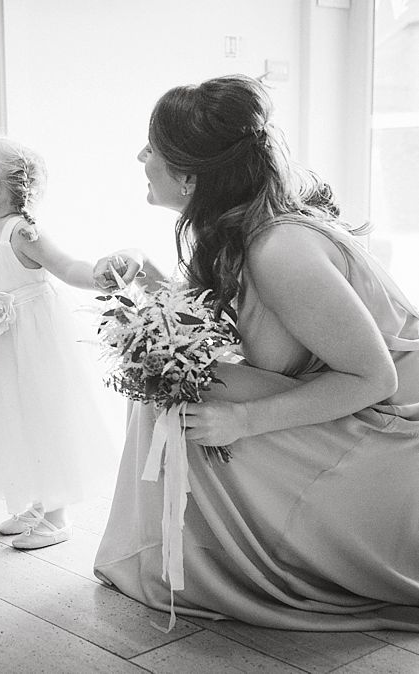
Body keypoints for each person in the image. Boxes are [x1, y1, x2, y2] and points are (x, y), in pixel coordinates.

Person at [92, 74, 419, 630]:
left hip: (397, 441)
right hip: (369, 422)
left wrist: (243, 419)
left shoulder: (280, 250)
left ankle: (212, 565)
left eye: (154, 147)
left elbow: (374, 379)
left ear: (190, 176)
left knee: (188, 385)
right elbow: (220, 331)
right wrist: (146, 280)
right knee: (169, 368)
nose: (140, 155)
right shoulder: (243, 233)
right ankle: (191, 559)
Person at [0, 130, 118, 550]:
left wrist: (97, 276)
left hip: (37, 347)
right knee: (16, 423)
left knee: (44, 421)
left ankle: (59, 515)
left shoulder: (19, 232)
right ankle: (38, 502)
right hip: (4, 350)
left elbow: (68, 266)